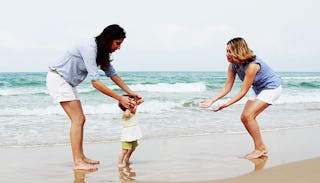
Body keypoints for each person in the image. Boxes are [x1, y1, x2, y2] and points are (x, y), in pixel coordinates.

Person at [46, 24, 144, 170]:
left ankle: (81, 157)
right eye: (117, 43)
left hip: (68, 83)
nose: (119, 47)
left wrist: (130, 93)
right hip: (58, 79)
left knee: (80, 119)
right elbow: (96, 83)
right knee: (77, 119)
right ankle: (77, 162)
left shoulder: (101, 51)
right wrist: (120, 98)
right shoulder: (89, 48)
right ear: (109, 40)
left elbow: (112, 74)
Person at [199, 37, 282, 159]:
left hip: (271, 88)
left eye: (229, 51)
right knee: (244, 117)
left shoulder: (252, 66)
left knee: (248, 116)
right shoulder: (232, 65)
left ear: (238, 51)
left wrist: (227, 104)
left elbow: (243, 91)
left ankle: (260, 149)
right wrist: (213, 100)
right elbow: (228, 86)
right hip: (258, 88)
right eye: (226, 51)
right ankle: (260, 147)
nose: (226, 54)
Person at [118, 95, 142, 168]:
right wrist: (129, 107)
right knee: (125, 150)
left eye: (131, 100)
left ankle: (127, 158)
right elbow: (127, 114)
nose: (132, 101)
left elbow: (134, 109)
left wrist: (137, 103)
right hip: (127, 135)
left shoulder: (132, 112)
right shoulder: (126, 114)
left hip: (133, 134)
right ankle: (120, 162)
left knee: (133, 148)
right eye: (129, 101)